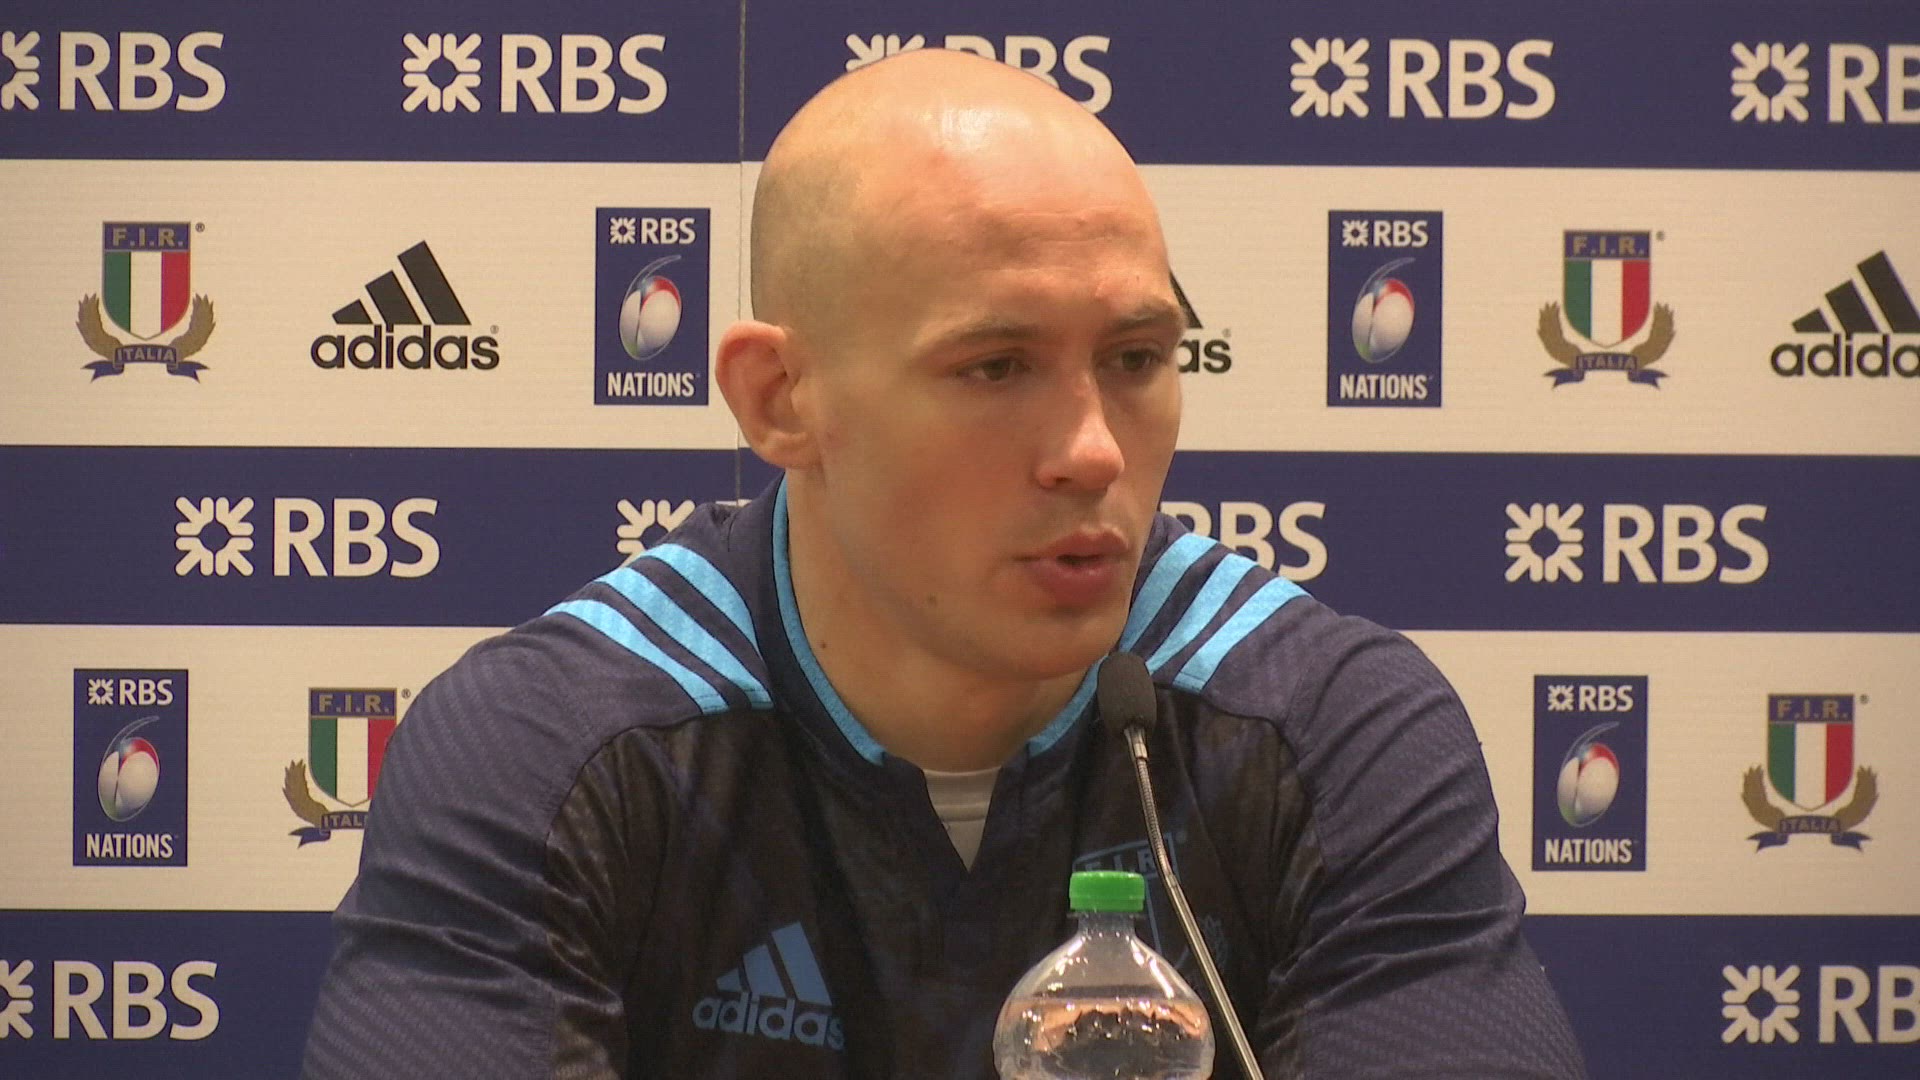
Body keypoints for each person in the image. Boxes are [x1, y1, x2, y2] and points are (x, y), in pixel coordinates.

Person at [302, 49, 1586, 1079]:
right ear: (781, 398)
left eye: (1137, 359)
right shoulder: (546, 753)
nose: (1093, 451)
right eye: (996, 367)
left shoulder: (1332, 730)